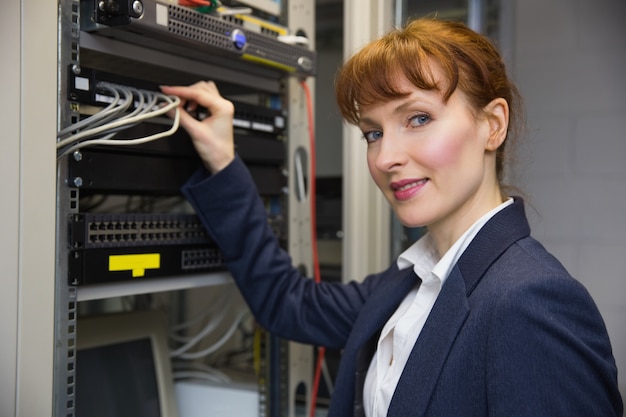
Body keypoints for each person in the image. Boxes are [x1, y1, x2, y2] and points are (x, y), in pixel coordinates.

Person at [161, 18, 623, 417]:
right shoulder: (409, 283)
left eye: (418, 118)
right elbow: (287, 302)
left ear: (493, 125)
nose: (385, 157)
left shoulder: (530, 300)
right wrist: (223, 162)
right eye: (373, 133)